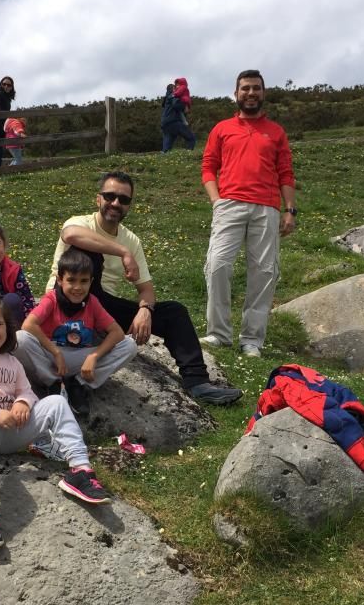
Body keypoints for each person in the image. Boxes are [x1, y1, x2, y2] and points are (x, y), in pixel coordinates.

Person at [48, 171, 242, 406]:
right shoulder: (80, 222)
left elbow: (146, 289)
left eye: (124, 199)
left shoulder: (131, 239)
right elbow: (71, 235)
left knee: (173, 312)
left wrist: (145, 310)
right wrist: (122, 252)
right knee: (87, 254)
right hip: (64, 304)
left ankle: (198, 382)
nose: (116, 203)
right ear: (98, 199)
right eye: (110, 196)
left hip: (100, 306)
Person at [0, 291, 111, 553]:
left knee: (55, 402)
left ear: (7, 328)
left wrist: (21, 403)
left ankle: (80, 471)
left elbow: (26, 392)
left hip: (8, 435)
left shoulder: (11, 361)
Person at [200, 69, 297, 357]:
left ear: (263, 93)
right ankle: (218, 333)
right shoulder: (221, 129)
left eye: (256, 88)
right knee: (217, 265)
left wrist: (290, 210)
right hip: (228, 204)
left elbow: (286, 173)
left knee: (264, 272)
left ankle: (252, 339)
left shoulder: (276, 132)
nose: (251, 93)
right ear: (236, 93)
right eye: (245, 88)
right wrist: (216, 201)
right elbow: (208, 167)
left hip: (267, 208)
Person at [17, 248, 137, 419]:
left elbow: (116, 332)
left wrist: (94, 356)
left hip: (79, 358)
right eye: (71, 280)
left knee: (129, 345)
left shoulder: (92, 302)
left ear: (91, 282)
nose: (77, 287)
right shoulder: (51, 299)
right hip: (51, 356)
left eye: (84, 281)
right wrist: (55, 352)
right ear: (60, 280)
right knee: (19, 339)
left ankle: (78, 384)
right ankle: (53, 382)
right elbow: (28, 325)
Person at [160, 83, 195, 153]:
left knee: (167, 146)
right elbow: (176, 105)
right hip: (173, 122)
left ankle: (164, 154)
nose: (178, 90)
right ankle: (188, 154)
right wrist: (184, 105)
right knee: (191, 138)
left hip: (165, 123)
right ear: (173, 89)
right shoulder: (173, 96)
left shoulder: (167, 98)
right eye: (175, 88)